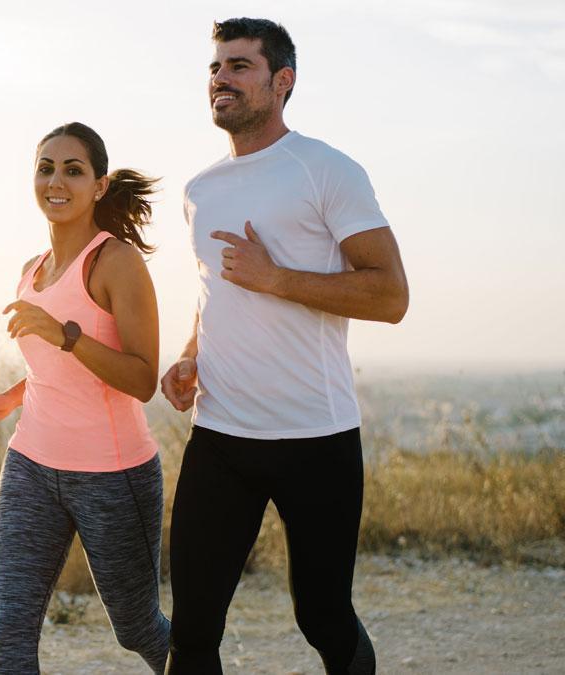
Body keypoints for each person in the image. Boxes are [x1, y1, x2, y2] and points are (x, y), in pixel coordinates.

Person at [160, 18, 409, 675]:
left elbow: (390, 296)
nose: (220, 79)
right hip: (219, 436)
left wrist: (278, 279)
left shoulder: (327, 170)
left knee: (322, 616)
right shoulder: (199, 189)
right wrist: (189, 354)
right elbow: (216, 288)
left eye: (239, 66)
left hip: (316, 438)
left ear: (282, 81)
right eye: (215, 68)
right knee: (191, 632)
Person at [0, 122, 171, 673]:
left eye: (73, 170)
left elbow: (144, 378)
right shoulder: (32, 271)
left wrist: (66, 334)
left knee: (138, 629)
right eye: (45, 167)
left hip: (113, 474)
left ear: (99, 186)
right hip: (31, 466)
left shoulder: (116, 263)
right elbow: (53, 372)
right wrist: (9, 400)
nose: (56, 180)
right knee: (11, 634)